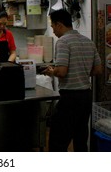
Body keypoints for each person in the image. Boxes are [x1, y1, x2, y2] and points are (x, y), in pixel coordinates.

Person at [43, 9, 102, 152]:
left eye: (52, 27)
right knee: (80, 139)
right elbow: (98, 70)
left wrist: (52, 71)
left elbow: (62, 72)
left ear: (59, 25)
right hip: (86, 97)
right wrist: (82, 72)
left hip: (70, 98)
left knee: (58, 141)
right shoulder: (88, 41)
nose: (54, 31)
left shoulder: (63, 42)